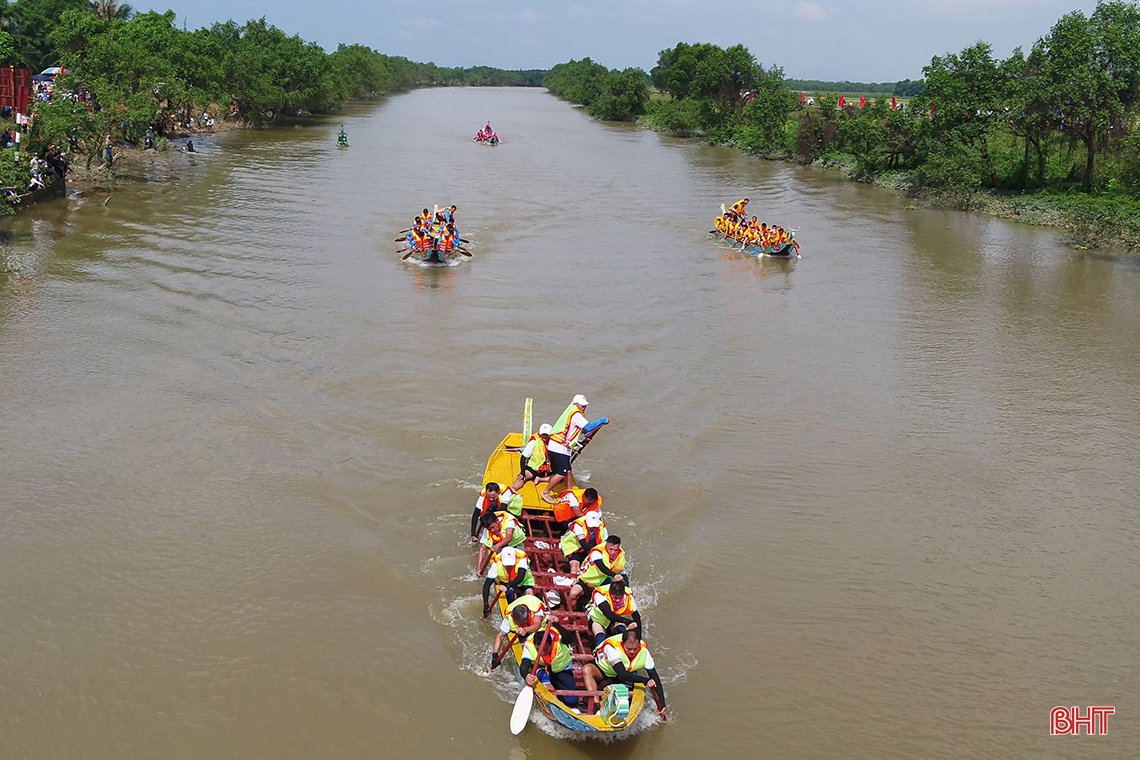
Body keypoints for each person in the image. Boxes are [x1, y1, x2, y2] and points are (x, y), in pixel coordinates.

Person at [582, 628, 667, 719]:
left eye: (635, 649)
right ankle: (596, 705)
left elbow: (655, 680)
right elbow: (622, 674)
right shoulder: (611, 648)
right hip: (604, 670)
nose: (632, 652)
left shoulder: (645, 652)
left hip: (622, 674)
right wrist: (645, 680)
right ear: (622, 644)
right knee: (587, 669)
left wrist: (662, 706)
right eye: (629, 649)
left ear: (639, 644)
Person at [541, 394, 591, 504]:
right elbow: (589, 428)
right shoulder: (576, 414)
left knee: (568, 470)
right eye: (582, 406)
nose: (584, 408)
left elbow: (576, 430)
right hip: (559, 448)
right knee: (561, 473)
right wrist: (602, 421)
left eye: (585, 406)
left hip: (560, 447)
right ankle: (546, 492)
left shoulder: (571, 412)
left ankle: (569, 491)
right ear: (576, 404)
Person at [519, 624, 580, 708]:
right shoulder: (529, 645)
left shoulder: (559, 639)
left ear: (551, 643)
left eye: (545, 650)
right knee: (544, 676)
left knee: (572, 701)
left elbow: (569, 638)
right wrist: (526, 675)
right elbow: (524, 666)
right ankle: (542, 676)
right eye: (539, 649)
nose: (542, 653)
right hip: (542, 667)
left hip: (562, 668)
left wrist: (556, 624)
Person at [489, 591, 548, 669]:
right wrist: (495, 655)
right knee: (524, 645)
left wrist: (525, 629)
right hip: (523, 611)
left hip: (535, 612)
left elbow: (537, 626)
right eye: (518, 623)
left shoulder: (536, 610)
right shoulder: (509, 617)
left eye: (522, 622)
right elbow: (500, 636)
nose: (520, 624)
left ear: (528, 616)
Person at [568, 535, 625, 610]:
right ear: (606, 545)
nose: (613, 552)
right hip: (587, 579)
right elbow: (601, 566)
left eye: (615, 550)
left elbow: (623, 573)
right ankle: (571, 613)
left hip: (602, 582)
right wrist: (614, 575)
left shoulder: (621, 557)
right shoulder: (597, 551)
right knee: (573, 593)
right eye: (611, 549)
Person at [481, 546, 535, 615]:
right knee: (509, 593)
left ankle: (530, 613)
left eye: (511, 565)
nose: (509, 567)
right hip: (507, 582)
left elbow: (520, 577)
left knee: (529, 594)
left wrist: (507, 586)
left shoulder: (521, 558)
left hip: (524, 581)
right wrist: (486, 604)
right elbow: (486, 586)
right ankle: (512, 610)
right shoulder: (496, 564)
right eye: (507, 565)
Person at [587, 578, 641, 647]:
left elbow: (637, 617)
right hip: (598, 621)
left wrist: (638, 638)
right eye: (615, 598)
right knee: (601, 639)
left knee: (621, 632)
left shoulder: (628, 597)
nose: (618, 600)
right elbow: (609, 614)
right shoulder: (600, 595)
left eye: (620, 598)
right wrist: (629, 622)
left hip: (617, 621)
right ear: (610, 593)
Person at [475, 508, 526, 576]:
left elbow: (509, 537)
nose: (492, 530)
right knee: (502, 566)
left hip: (516, 543)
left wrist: (497, 546)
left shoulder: (508, 521)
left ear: (497, 521)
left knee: (520, 563)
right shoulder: (487, 531)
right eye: (490, 529)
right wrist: (479, 568)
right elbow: (482, 549)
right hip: (503, 545)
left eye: (493, 527)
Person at [560, 508, 607, 575]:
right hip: (575, 548)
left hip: (591, 548)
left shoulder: (601, 526)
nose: (592, 528)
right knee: (574, 569)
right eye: (591, 526)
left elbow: (605, 542)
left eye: (594, 526)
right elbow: (584, 544)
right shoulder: (578, 525)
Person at [510, 423, 551, 493]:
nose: (544, 437)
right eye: (543, 434)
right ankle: (513, 489)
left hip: (547, 470)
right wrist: (522, 473)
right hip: (533, 469)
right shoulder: (534, 442)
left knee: (560, 476)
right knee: (521, 478)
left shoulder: (554, 443)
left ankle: (540, 479)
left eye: (546, 435)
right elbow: (523, 457)